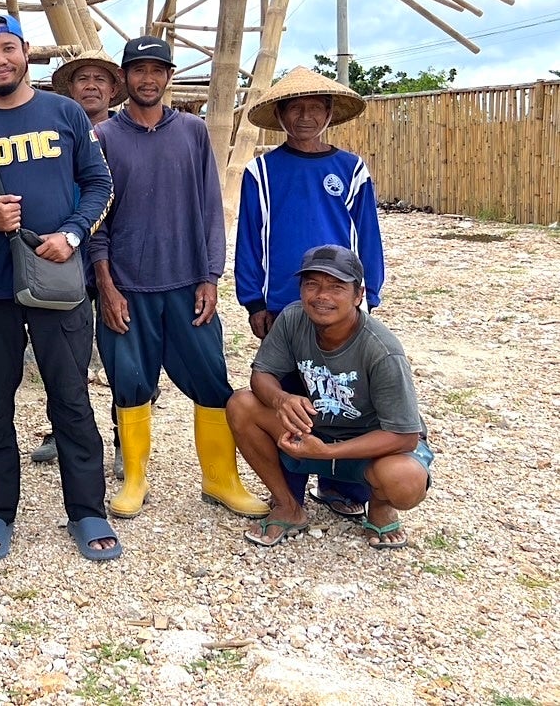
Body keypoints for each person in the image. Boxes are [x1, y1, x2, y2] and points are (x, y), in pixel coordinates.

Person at [0, 13, 120, 562]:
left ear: (26, 52)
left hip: (58, 283)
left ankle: (87, 510)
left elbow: (100, 183)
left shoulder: (65, 113)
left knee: (71, 397)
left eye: (7, 49)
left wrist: (73, 233)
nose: (0, 60)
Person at [87, 36, 268, 522]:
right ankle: (134, 478)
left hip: (188, 283)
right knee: (129, 381)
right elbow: (95, 217)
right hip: (126, 286)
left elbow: (210, 206)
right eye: (138, 70)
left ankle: (220, 478)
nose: (148, 79)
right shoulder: (104, 137)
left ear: (169, 77)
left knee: (210, 377)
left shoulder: (192, 131)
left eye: (157, 70)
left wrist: (210, 275)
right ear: (123, 78)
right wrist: (105, 284)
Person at [236, 64, 385, 518]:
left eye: (315, 108)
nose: (305, 117)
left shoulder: (351, 169)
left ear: (329, 113)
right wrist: (254, 301)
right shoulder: (262, 171)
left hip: (340, 304)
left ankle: (342, 486)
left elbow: (367, 235)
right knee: (288, 394)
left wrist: (370, 295)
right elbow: (250, 239)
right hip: (284, 306)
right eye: (295, 108)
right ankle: (291, 492)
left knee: (344, 395)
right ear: (281, 115)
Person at [228, 245, 431, 549]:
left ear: (359, 295)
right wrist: (282, 399)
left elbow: (405, 436)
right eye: (312, 284)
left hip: (371, 445)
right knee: (241, 404)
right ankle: (287, 506)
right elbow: (262, 374)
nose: (322, 296)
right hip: (316, 431)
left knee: (406, 480)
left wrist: (326, 452)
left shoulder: (382, 349)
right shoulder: (293, 318)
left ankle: (380, 506)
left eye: (337, 287)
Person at [32, 49, 129, 468]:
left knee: (123, 355)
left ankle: (125, 437)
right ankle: (63, 429)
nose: (91, 86)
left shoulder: (125, 136)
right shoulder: (53, 134)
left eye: (99, 79)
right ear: (70, 89)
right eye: (82, 79)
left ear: (112, 89)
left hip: (116, 259)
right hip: (62, 255)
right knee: (65, 354)